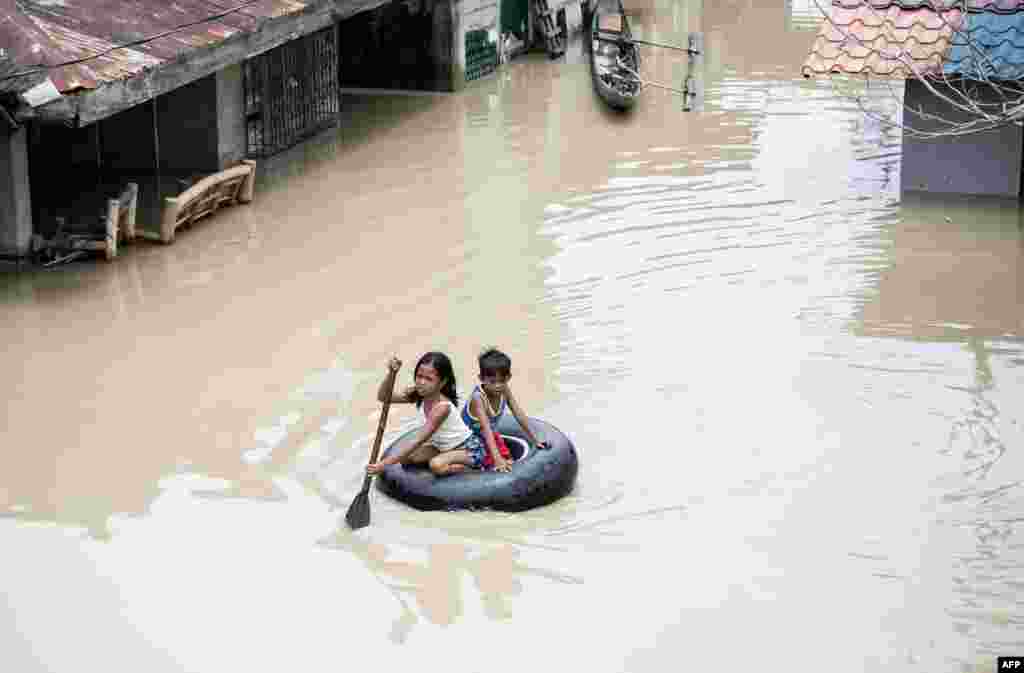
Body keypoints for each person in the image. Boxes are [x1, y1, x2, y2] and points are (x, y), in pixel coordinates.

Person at [366, 352, 489, 477]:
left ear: (442, 382)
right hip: (441, 447)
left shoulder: (442, 408)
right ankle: (446, 457)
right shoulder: (420, 393)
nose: (422, 382)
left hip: (467, 449)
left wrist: (383, 464)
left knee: (436, 465)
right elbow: (384, 397)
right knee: (406, 458)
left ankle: (473, 469)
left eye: (428, 379)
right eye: (419, 376)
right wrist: (391, 374)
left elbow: (418, 440)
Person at [462, 348, 550, 473]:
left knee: (509, 462)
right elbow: (486, 429)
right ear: (481, 378)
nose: (497, 385)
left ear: (508, 377)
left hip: (490, 435)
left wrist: (535, 439)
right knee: (493, 466)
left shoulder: (504, 389)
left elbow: (518, 413)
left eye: (502, 381)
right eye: (492, 381)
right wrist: (497, 459)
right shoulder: (478, 398)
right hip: (471, 440)